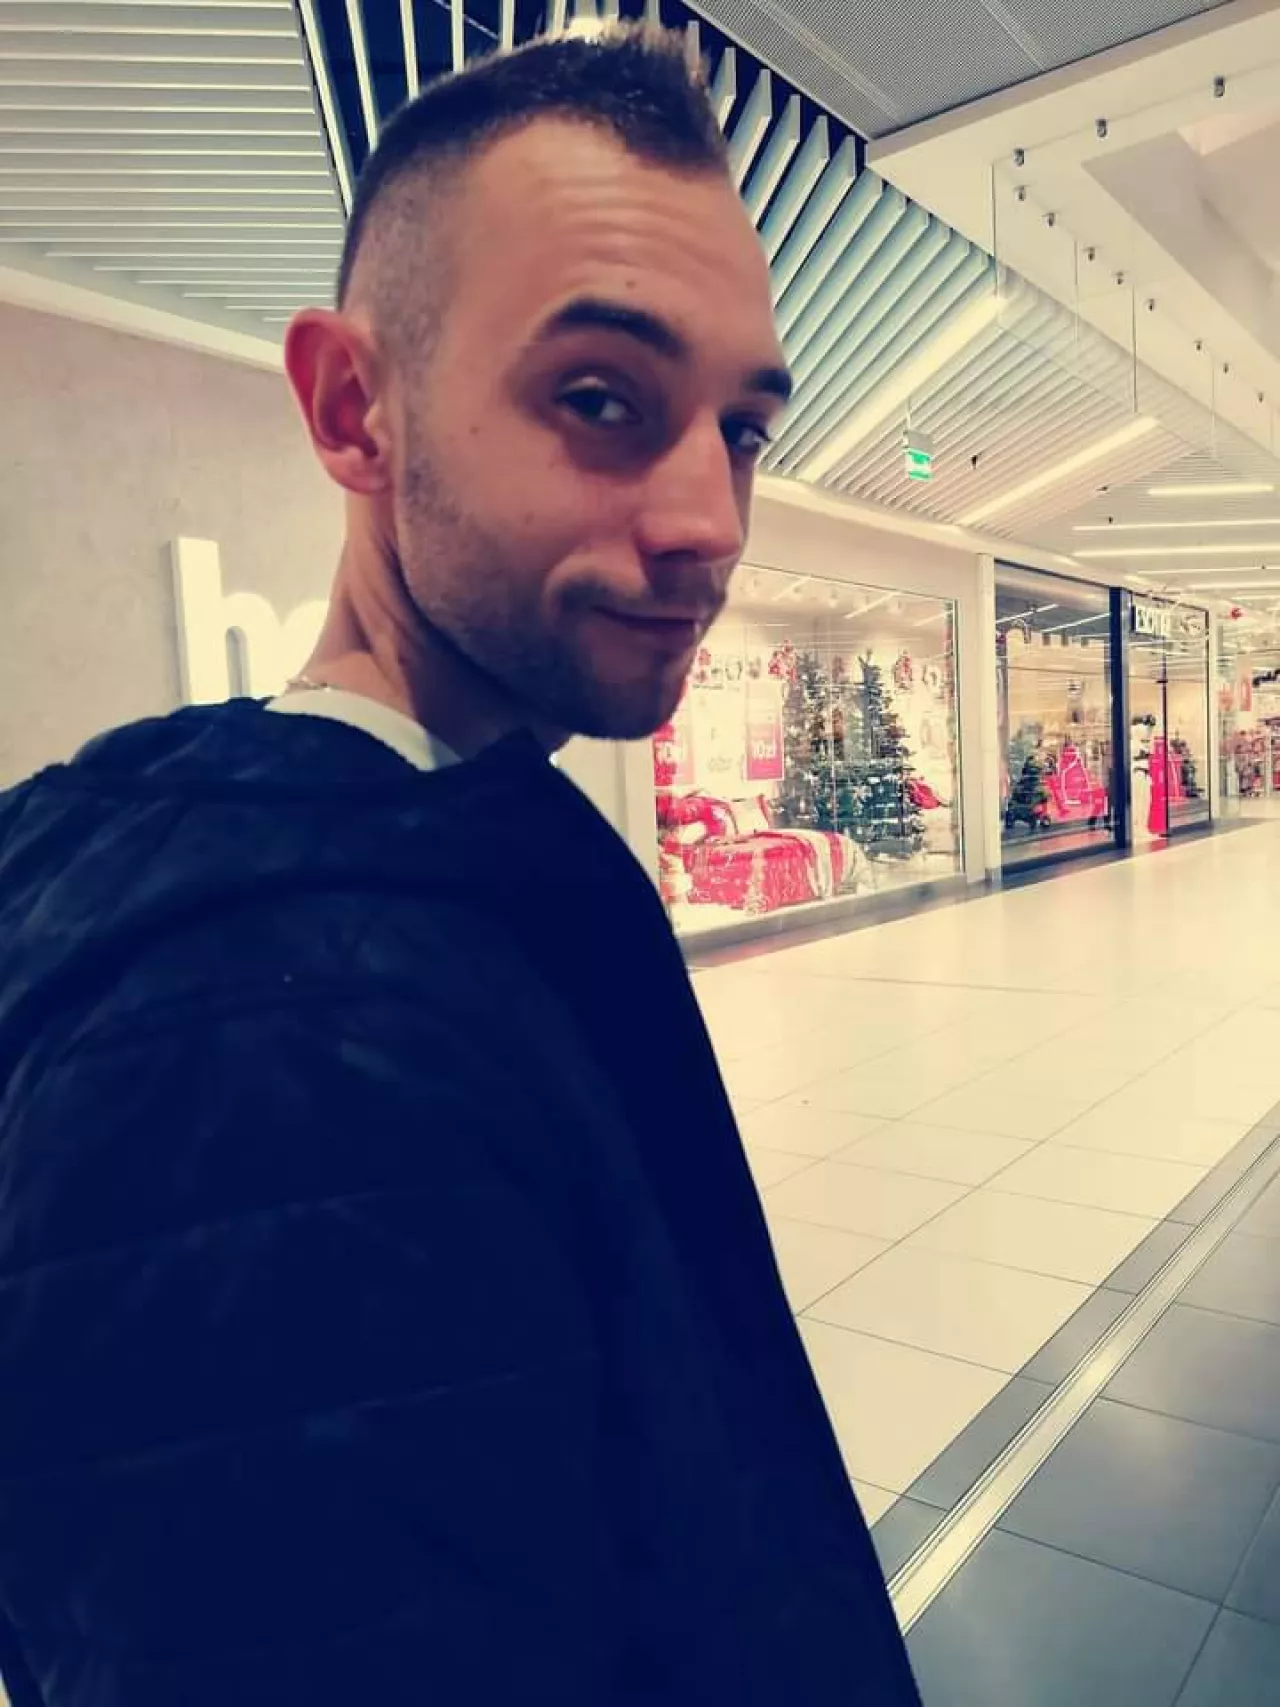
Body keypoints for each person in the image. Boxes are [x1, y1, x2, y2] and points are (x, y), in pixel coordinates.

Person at [0, 29, 921, 1706]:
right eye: (600, 400)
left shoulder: (454, 863)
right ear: (357, 410)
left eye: (740, 429)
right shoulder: (258, 1046)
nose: (714, 517)